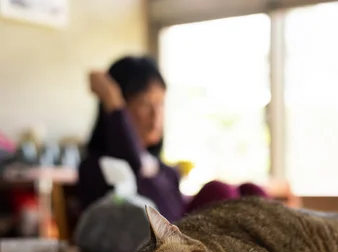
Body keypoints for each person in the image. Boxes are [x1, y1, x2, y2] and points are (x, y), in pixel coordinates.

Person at [77, 55, 298, 222]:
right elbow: (131, 167)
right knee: (218, 191)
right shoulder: (98, 168)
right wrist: (112, 101)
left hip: (193, 243)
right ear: (119, 111)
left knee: (251, 191)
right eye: (145, 103)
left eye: (160, 103)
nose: (156, 116)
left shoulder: (163, 170)